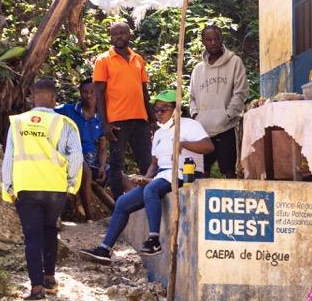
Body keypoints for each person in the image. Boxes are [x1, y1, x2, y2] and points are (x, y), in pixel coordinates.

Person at [78, 91, 212, 263]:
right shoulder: (159, 133)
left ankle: (154, 240)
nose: (159, 114)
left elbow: (208, 147)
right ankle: (104, 249)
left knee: (151, 189)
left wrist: (184, 144)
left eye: (164, 109)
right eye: (156, 110)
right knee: (123, 203)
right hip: (163, 175)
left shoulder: (189, 125)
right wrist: (146, 177)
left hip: (185, 172)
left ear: (177, 109)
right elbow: (154, 164)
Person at [1, 78, 82, 301]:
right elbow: (76, 157)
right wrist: (70, 184)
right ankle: (49, 279)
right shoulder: (65, 123)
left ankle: (36, 290)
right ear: (54, 98)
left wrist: (8, 186)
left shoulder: (18, 122)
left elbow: (9, 157)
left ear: (32, 97)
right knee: (50, 229)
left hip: (26, 186)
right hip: (55, 187)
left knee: (32, 236)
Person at [93, 21, 152, 198]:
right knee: (117, 163)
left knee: (147, 162)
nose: (119, 37)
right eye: (115, 34)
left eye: (122, 33)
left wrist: (152, 119)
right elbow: (99, 93)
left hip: (140, 119)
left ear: (129, 35)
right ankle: (118, 204)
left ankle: (148, 200)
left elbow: (144, 91)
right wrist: (105, 124)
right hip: (117, 120)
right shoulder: (103, 60)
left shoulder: (138, 59)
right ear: (111, 37)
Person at [189, 24, 248, 179]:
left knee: (229, 171)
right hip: (203, 130)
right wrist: (196, 115)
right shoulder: (198, 69)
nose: (213, 42)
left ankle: (231, 193)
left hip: (226, 126)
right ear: (203, 42)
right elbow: (192, 97)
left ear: (222, 39)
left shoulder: (234, 62)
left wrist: (228, 115)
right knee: (202, 171)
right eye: (209, 39)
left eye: (216, 38)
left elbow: (241, 92)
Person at [57, 79, 110, 221]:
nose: (89, 95)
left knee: (121, 178)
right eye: (85, 92)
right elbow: (47, 112)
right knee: (85, 170)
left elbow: (103, 147)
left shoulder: (102, 117)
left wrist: (102, 166)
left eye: (92, 92)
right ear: (80, 93)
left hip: (93, 160)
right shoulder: (68, 110)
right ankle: (90, 218)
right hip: (72, 157)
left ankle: (129, 215)